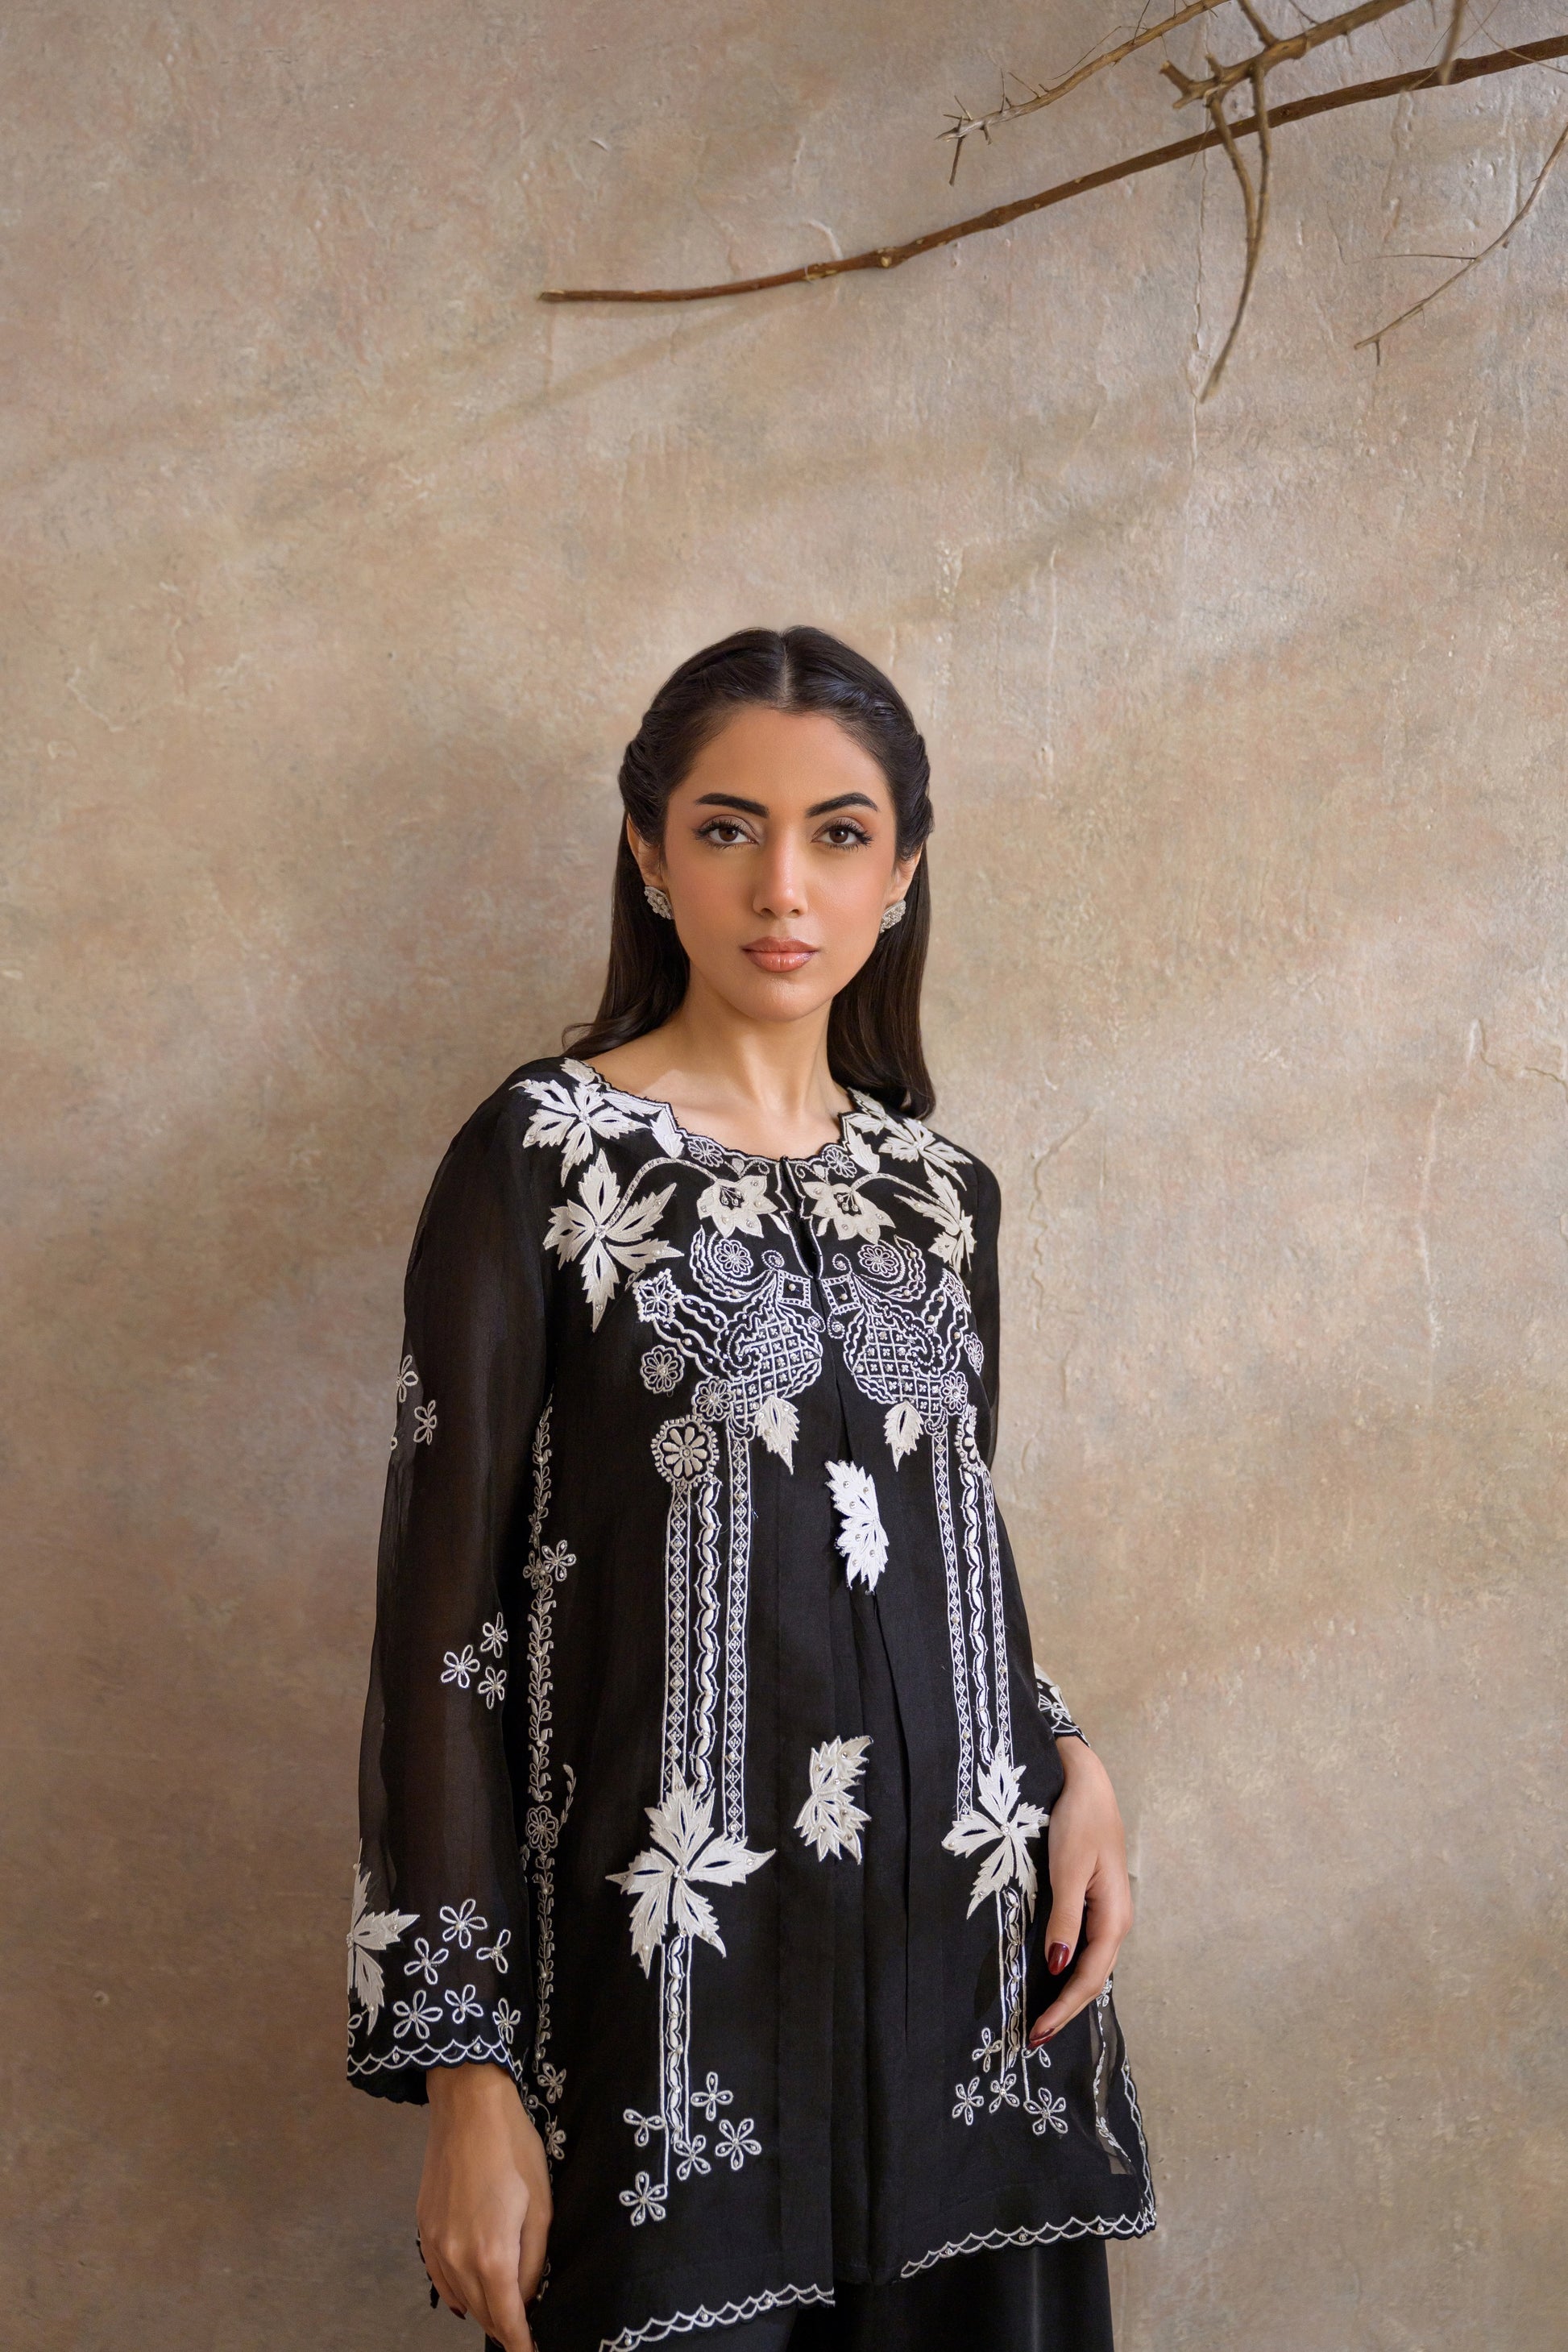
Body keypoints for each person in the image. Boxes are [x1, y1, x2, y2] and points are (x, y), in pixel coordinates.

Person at [347, 628, 1154, 2352]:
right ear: (650, 853)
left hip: (970, 1981)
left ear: (900, 871)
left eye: (837, 834)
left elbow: (946, 1543)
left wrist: (1067, 1748)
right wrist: (468, 2076)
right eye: (727, 829)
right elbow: (441, 1636)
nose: (782, 886)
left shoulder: (939, 1194)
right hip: (668, 2025)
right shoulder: (544, 1158)